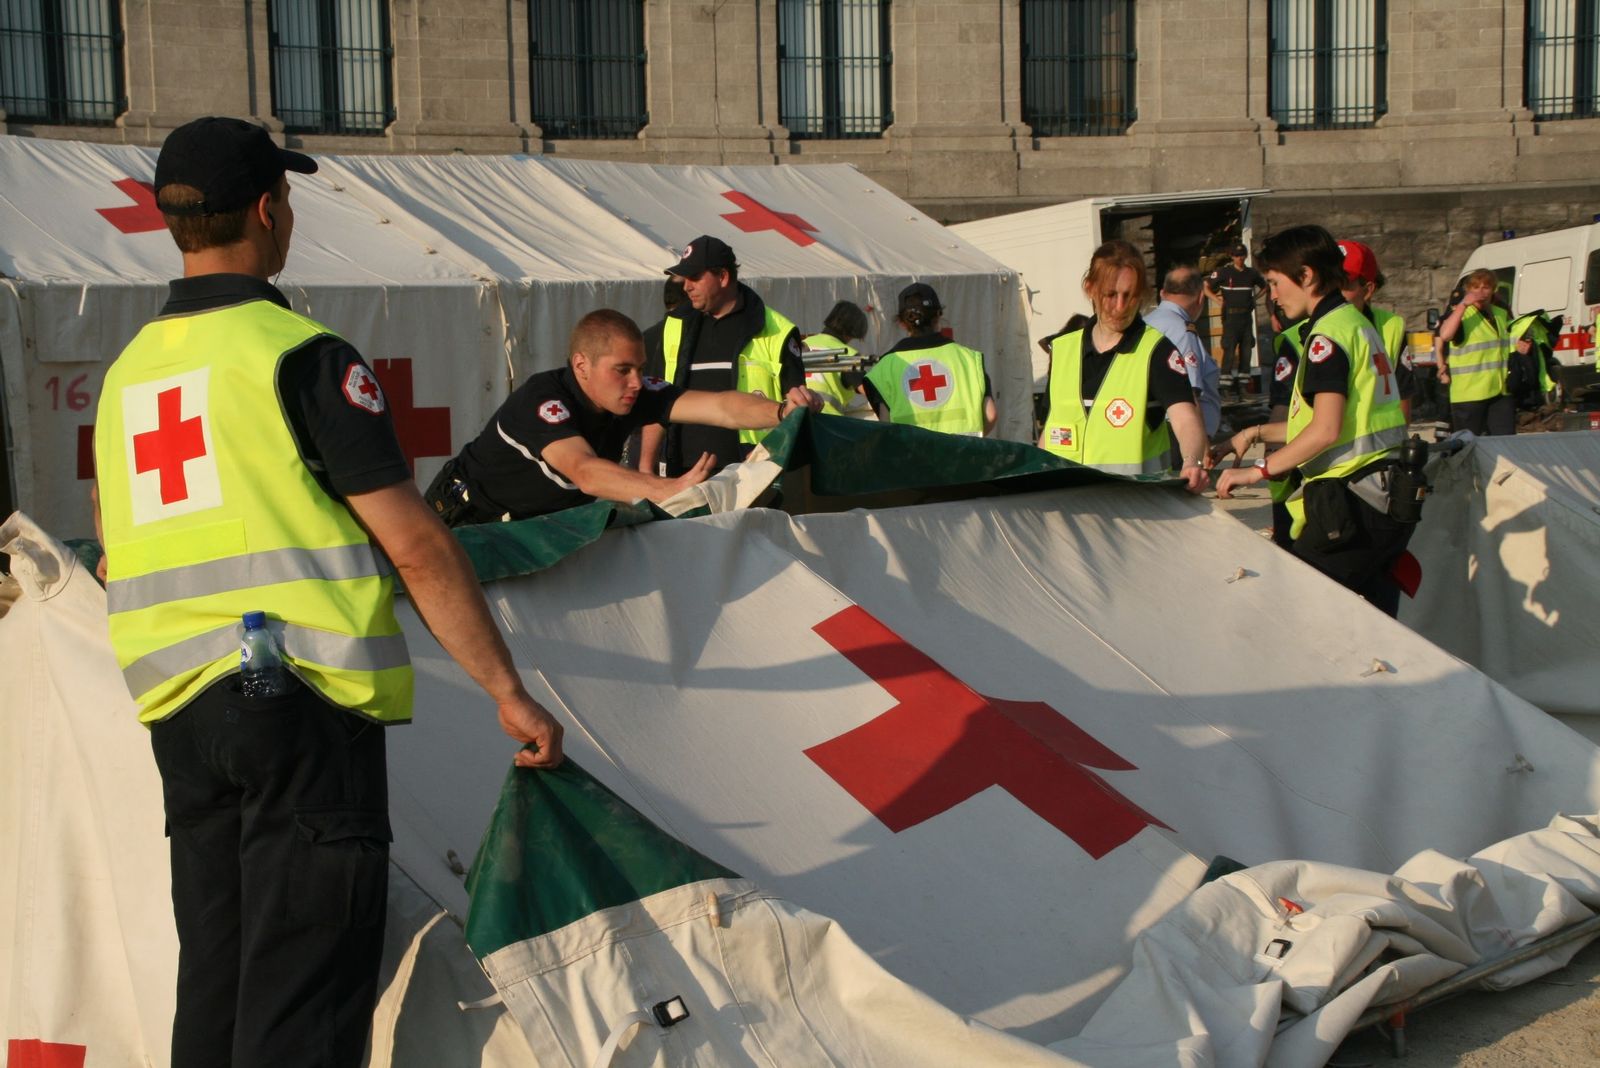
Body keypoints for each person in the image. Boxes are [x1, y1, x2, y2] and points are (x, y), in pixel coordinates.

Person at [90, 117, 564, 1068]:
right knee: (303, 995)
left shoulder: (127, 375)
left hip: (178, 714)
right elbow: (418, 547)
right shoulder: (301, 356)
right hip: (300, 704)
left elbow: (115, 549)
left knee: (218, 987)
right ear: (269, 210)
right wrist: (508, 692)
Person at [425, 309, 823, 523]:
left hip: (533, 523)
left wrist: (782, 410)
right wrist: (664, 488)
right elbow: (584, 471)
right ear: (582, 365)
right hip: (466, 521)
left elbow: (718, 406)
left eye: (640, 367)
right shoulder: (543, 401)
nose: (637, 382)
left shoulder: (632, 393)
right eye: (622, 370)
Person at [1214, 224, 1412, 613]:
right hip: (1384, 496)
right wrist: (1252, 433)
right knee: (1375, 621)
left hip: (1351, 502)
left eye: (1274, 283)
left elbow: (1324, 431)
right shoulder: (1357, 325)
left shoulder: (1326, 337)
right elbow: (1337, 423)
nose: (1271, 297)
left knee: (1298, 610)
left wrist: (1257, 471)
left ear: (1306, 276)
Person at [1037, 240, 1208, 492]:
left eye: (1129, 296)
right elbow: (1050, 430)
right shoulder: (1062, 350)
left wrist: (1193, 462)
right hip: (1067, 506)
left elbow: (1185, 418)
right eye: (1111, 295)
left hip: (1133, 507)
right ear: (1090, 289)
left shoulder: (1157, 351)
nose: (1119, 307)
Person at [638, 236, 805, 476]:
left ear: (723, 277)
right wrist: (646, 467)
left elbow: (795, 410)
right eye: (685, 278)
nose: (686, 286)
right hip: (681, 473)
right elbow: (657, 401)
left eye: (694, 277)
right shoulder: (675, 325)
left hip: (750, 475)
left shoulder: (777, 329)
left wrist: (771, 453)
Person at [863, 283, 997, 436]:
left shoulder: (885, 367)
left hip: (912, 457)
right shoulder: (969, 359)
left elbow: (886, 425)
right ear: (939, 315)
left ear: (901, 323)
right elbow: (990, 415)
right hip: (963, 455)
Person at [1336, 239, 1417, 421]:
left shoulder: (1391, 327)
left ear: (1367, 290)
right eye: (1326, 283)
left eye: (1342, 285)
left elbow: (1403, 394)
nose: (1332, 293)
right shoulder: (1301, 332)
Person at [1143, 265, 1223, 437]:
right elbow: (1189, 393)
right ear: (1201, 297)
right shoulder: (1183, 330)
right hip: (1182, 433)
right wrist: (1202, 447)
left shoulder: (1145, 324)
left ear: (1163, 293)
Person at [1436, 268, 1515, 436]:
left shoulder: (1501, 314)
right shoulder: (1462, 314)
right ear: (1468, 290)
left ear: (1493, 290)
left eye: (1485, 287)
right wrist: (1463, 305)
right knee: (1468, 447)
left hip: (1499, 391)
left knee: (1505, 443)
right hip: (1469, 395)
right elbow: (1445, 334)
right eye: (1475, 287)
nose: (1480, 292)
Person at [1205, 243, 1267, 390]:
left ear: (1245, 256)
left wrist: (1255, 298)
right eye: (1236, 255)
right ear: (1232, 257)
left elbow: (1265, 286)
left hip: (1246, 317)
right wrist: (1217, 299)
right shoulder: (1224, 272)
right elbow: (1205, 287)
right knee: (1229, 351)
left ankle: (1244, 387)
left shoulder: (1251, 273)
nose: (1239, 258)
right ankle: (1225, 388)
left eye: (1242, 255)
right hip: (1231, 318)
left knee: (1246, 351)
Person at [804, 300, 871, 416]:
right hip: (827, 422)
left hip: (793, 419)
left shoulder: (802, 344)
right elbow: (870, 393)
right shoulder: (847, 354)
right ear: (852, 333)